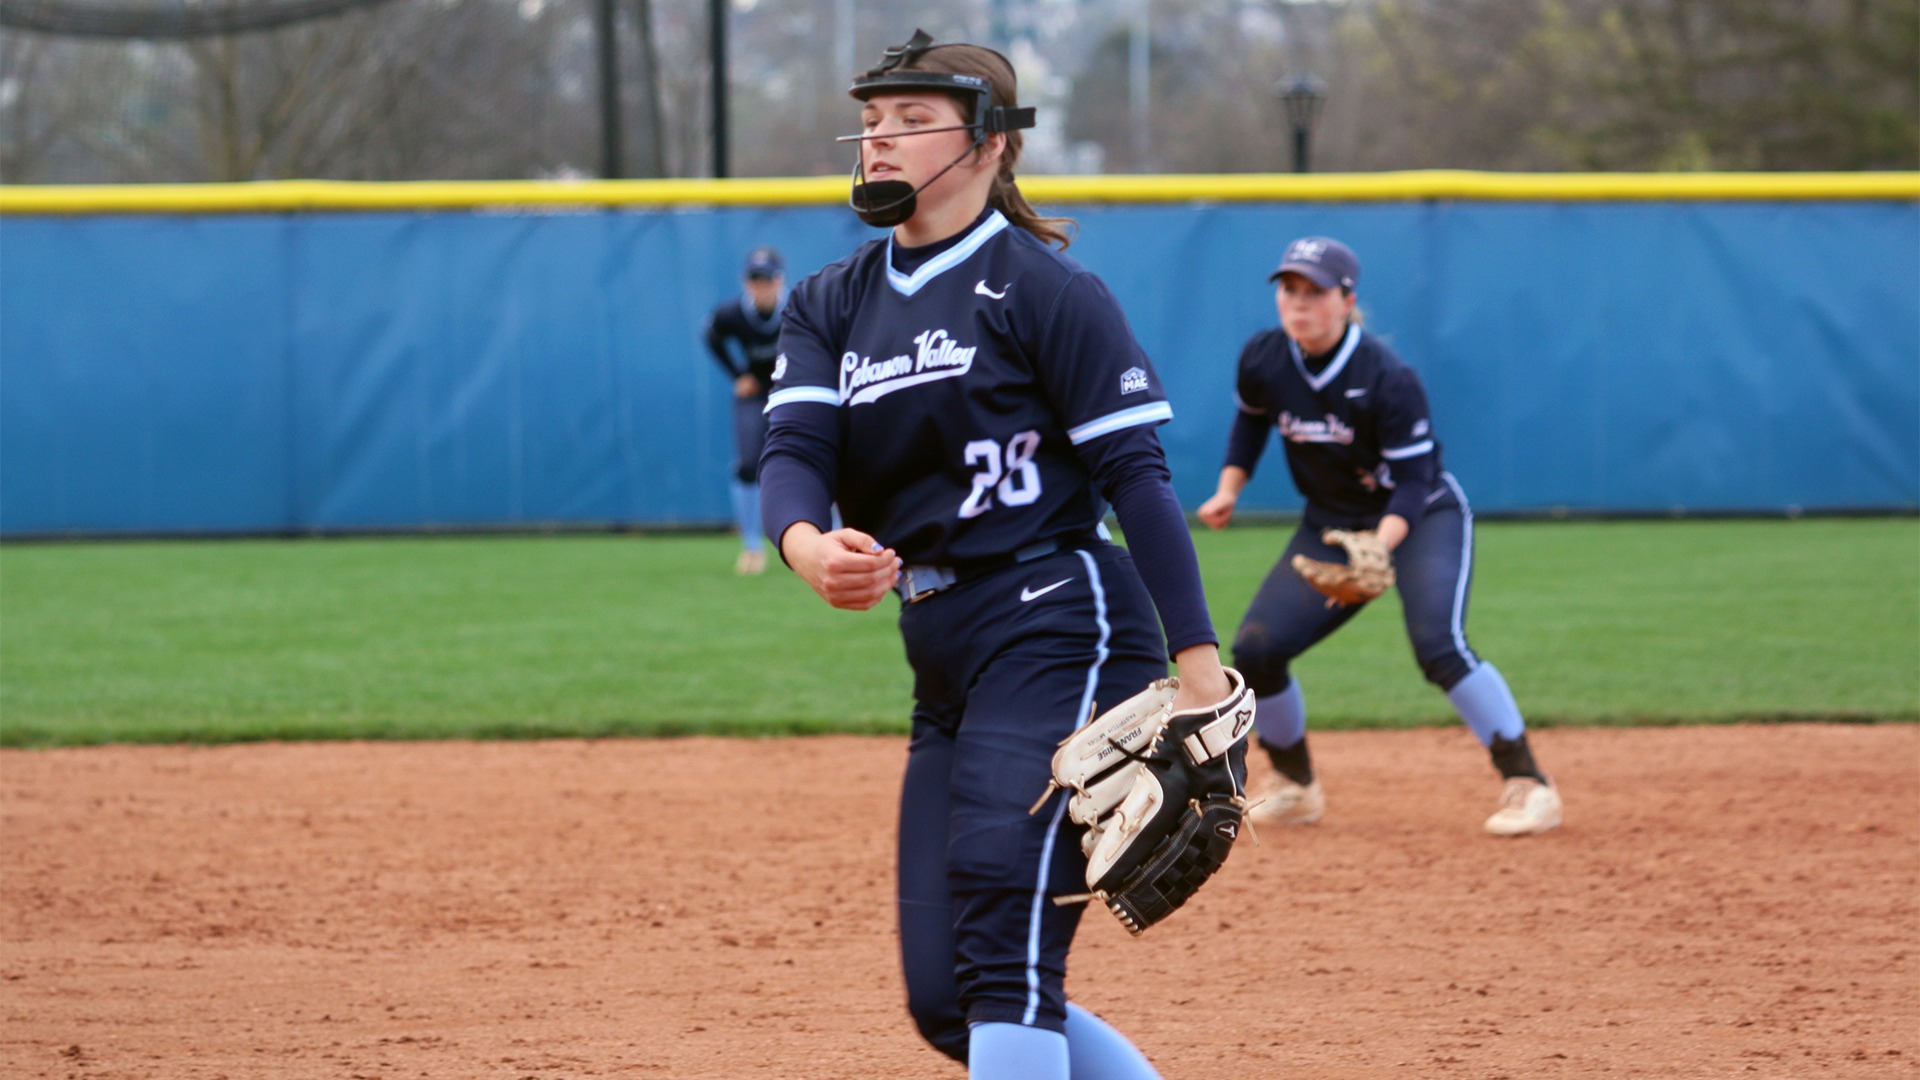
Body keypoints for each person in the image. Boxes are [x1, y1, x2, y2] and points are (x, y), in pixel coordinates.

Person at [759, 29, 1228, 1080]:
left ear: (991, 146)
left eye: (912, 122)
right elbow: (793, 453)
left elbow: (1136, 480)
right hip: (942, 647)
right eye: (871, 125)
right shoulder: (831, 302)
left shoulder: (1044, 290)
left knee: (1003, 942)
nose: (880, 144)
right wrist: (802, 545)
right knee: (946, 998)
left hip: (1060, 617)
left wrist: (1199, 672)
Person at [1196, 236, 1564, 838]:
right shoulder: (1265, 357)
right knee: (1258, 648)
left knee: (1438, 646)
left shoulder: (1388, 378)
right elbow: (1251, 422)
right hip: (1331, 525)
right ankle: (1295, 784)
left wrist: (1380, 546)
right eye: (1290, 289)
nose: (1299, 303)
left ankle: (1529, 783)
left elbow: (1416, 482)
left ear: (1347, 300)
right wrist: (1229, 488)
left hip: (1419, 518)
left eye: (1314, 291)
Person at [702, 246, 785, 574]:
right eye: (755, 278)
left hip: (791, 391)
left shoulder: (798, 307)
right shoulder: (733, 314)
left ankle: (831, 535)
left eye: (767, 278)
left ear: (780, 280)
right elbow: (711, 336)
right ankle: (752, 547)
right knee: (749, 464)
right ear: (746, 281)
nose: (761, 285)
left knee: (822, 458)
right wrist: (738, 375)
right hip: (754, 395)